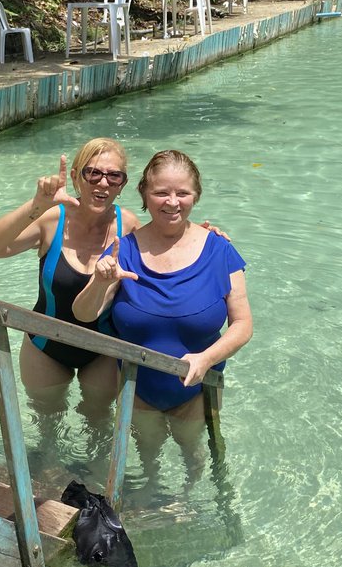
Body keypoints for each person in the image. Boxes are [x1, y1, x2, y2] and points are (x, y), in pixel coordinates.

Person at [73, 149, 252, 487]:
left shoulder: (219, 250)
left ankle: (192, 500)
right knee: (148, 455)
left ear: (196, 195)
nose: (172, 202)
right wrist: (100, 280)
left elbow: (243, 324)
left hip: (198, 387)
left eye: (182, 193)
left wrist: (206, 359)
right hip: (138, 388)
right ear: (144, 194)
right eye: (161, 192)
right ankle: (152, 498)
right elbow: (83, 314)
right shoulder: (122, 250)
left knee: (193, 452)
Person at [0, 138, 139, 421]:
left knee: (99, 422)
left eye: (114, 176)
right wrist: (37, 204)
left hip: (102, 349)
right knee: (46, 422)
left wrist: (203, 235)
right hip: (45, 347)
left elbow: (166, 249)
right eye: (93, 173)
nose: (103, 183)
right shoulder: (52, 219)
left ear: (122, 184)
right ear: (76, 176)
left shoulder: (128, 225)